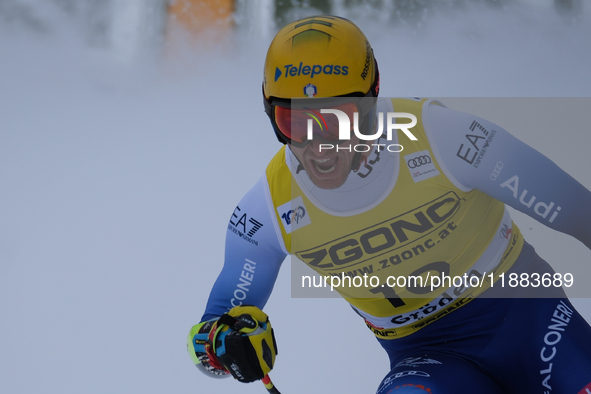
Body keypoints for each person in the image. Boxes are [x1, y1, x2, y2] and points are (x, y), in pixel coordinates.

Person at [187, 15, 591, 393]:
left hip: (532, 322)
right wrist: (224, 345)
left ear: (371, 100)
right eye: (294, 123)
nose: (319, 145)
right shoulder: (268, 209)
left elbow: (576, 210)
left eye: (338, 119)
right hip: (429, 357)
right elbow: (209, 334)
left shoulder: (440, 136)